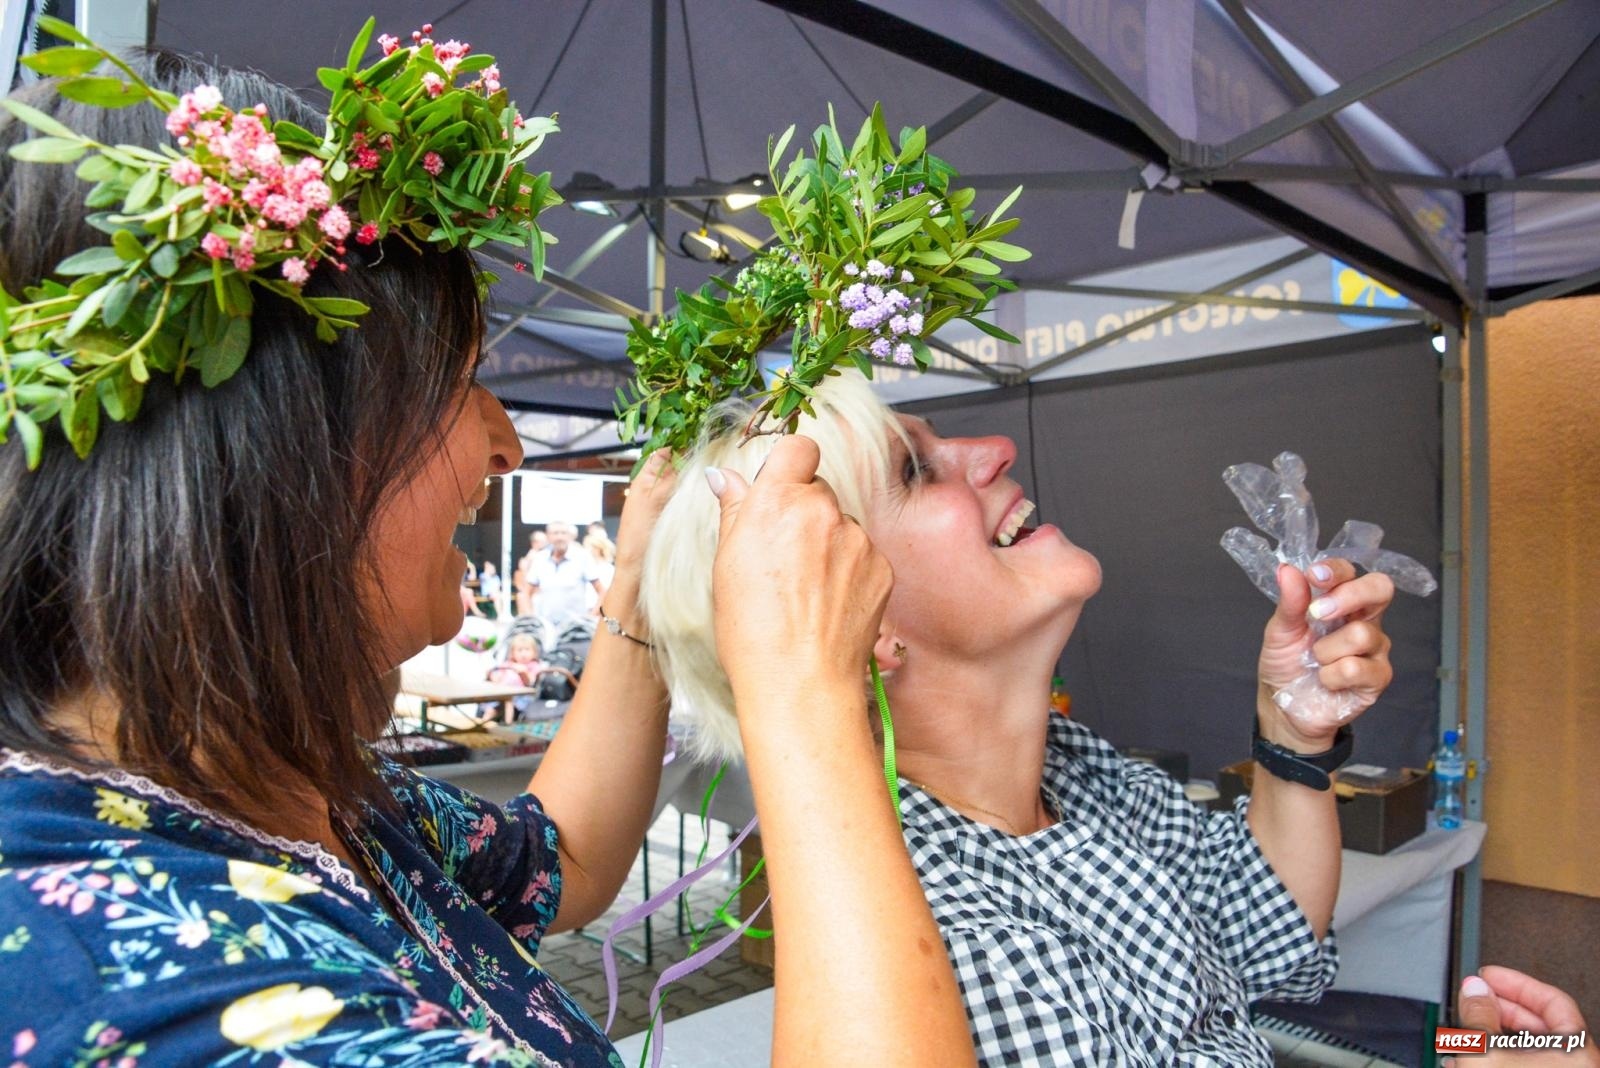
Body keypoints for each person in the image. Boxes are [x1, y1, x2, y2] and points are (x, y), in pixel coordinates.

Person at [0, 42, 973, 1068]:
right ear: (281, 452)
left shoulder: (295, 787)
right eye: (460, 381)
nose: (505, 443)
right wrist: (805, 695)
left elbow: (566, 858)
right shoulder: (138, 981)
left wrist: (639, 571)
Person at [642, 370, 1403, 1065]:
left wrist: (1294, 737)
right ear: (858, 619)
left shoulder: (1077, 768)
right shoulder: (948, 932)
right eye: (915, 470)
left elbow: (1258, 928)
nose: (998, 448)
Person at [525, 520, 604, 632]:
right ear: (548, 536)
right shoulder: (539, 559)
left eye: (563, 533)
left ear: (569, 536)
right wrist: (531, 619)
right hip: (546, 629)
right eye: (555, 533)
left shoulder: (582, 557)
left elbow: (602, 592)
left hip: (575, 629)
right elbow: (525, 593)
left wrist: (591, 618)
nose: (560, 537)